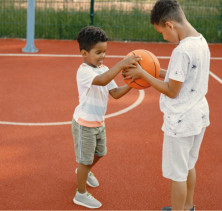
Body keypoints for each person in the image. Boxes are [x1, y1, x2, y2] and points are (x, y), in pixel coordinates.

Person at [125, 0, 210, 210]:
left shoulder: (181, 51)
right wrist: (150, 71)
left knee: (177, 175)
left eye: (162, 32)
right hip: (197, 116)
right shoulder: (200, 41)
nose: (163, 37)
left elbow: (172, 91)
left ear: (170, 25)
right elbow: (178, 79)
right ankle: (189, 207)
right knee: (189, 166)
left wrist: (142, 74)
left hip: (180, 122)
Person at [72, 26, 140, 209]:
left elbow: (115, 93)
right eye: (98, 52)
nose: (102, 56)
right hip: (84, 124)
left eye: (104, 52)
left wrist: (134, 83)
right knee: (85, 160)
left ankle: (83, 172)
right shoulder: (84, 72)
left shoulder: (105, 69)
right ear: (84, 53)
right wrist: (123, 63)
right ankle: (80, 194)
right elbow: (101, 80)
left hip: (98, 122)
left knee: (100, 153)